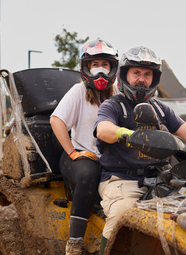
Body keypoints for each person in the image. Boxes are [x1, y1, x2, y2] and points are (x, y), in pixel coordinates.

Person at [94, 46, 186, 253]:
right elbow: (103, 129)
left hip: (163, 178)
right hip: (122, 180)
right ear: (124, 76)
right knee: (121, 214)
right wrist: (129, 135)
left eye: (147, 74)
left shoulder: (161, 108)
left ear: (154, 79)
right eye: (136, 73)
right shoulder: (114, 105)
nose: (141, 79)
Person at [50, 38, 119, 255]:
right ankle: (75, 242)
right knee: (89, 175)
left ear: (112, 68)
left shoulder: (117, 94)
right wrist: (72, 151)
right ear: (86, 67)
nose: (100, 70)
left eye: (105, 65)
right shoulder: (78, 91)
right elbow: (56, 120)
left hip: (106, 158)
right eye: (95, 64)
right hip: (78, 155)